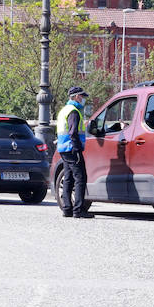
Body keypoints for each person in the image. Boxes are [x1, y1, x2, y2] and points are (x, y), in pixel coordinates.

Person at [56, 86, 91, 218]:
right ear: (76, 97)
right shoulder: (74, 111)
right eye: (81, 96)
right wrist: (77, 149)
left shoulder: (64, 110)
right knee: (80, 178)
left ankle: (67, 209)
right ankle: (79, 210)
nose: (82, 99)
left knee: (68, 179)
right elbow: (73, 132)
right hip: (72, 149)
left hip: (64, 149)